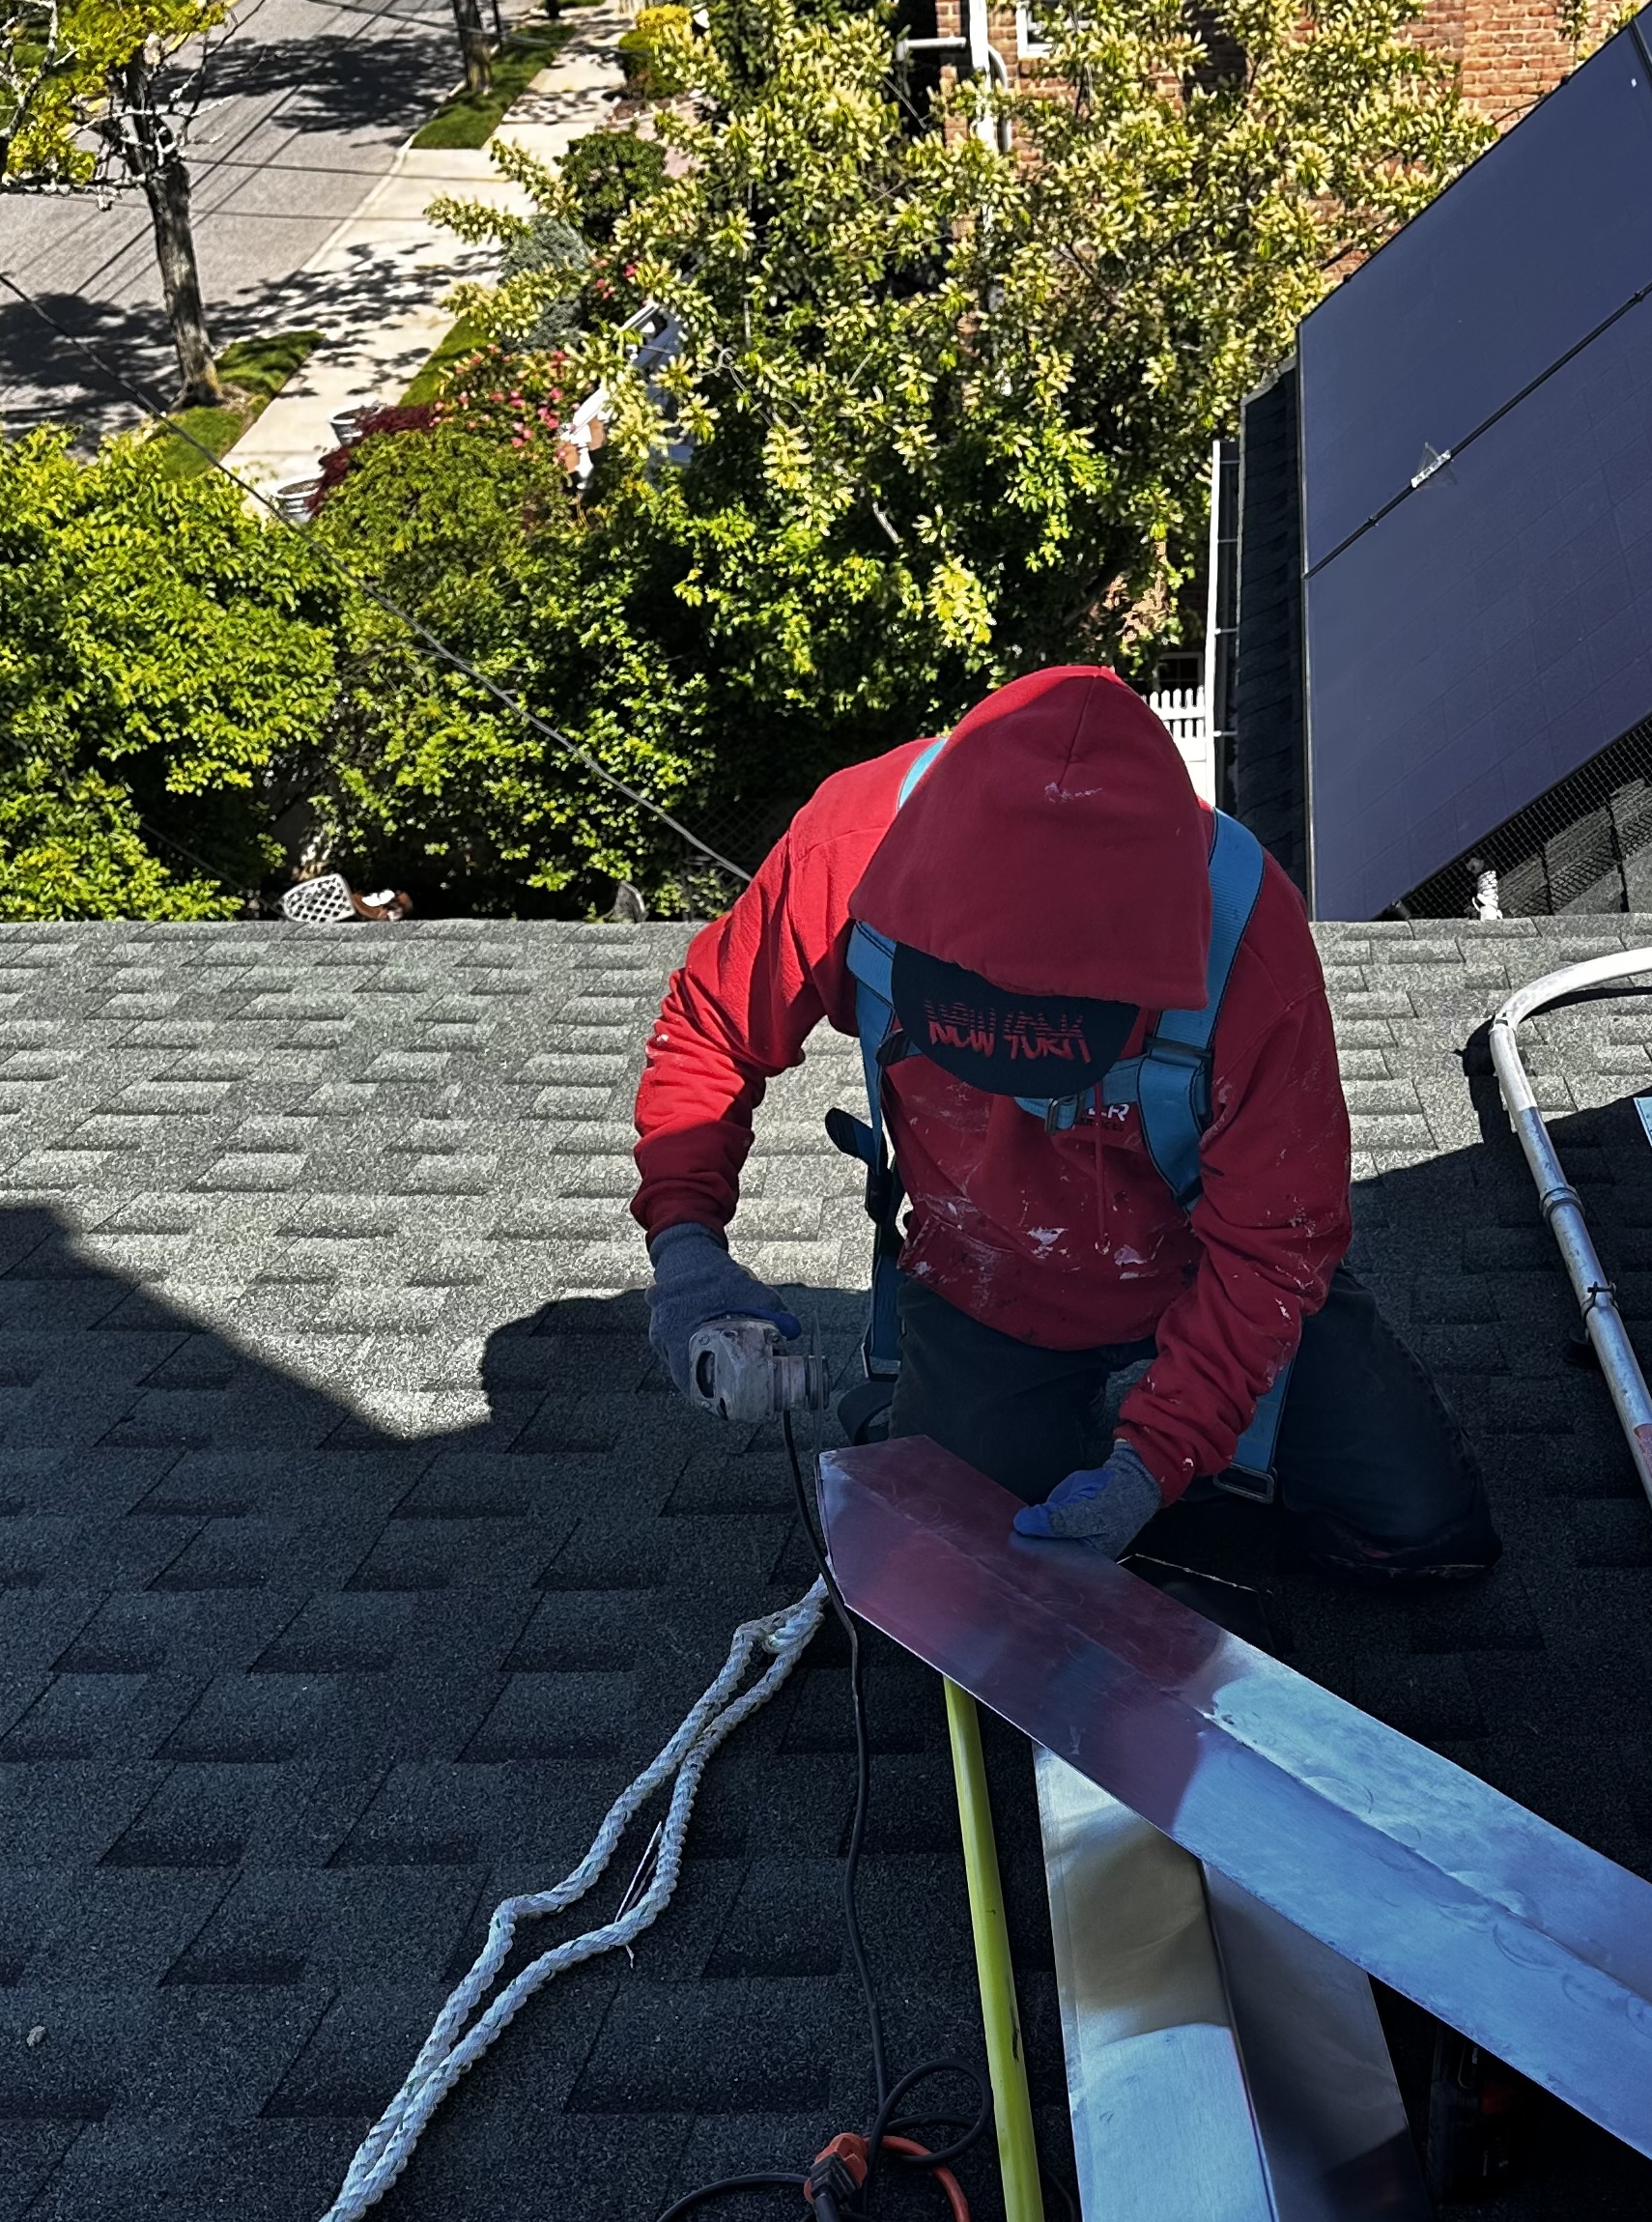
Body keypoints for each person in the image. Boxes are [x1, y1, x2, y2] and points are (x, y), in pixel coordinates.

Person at [632, 666, 1495, 1582]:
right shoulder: (846, 858)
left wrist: (1154, 1459)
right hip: (987, 1279)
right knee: (963, 1577)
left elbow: (1274, 1249)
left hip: (1204, 1268)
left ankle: (1153, 1441)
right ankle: (957, 1418)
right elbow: (713, 1030)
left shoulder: (1248, 947)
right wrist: (686, 1245)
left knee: (1421, 1535)